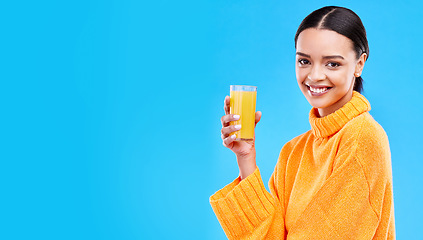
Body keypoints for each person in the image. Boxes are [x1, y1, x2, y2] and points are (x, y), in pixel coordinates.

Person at [210, 6, 395, 239]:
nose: (315, 75)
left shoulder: (362, 139)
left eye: (332, 64)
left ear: (359, 64)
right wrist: (246, 157)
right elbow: (271, 236)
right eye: (304, 61)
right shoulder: (293, 153)